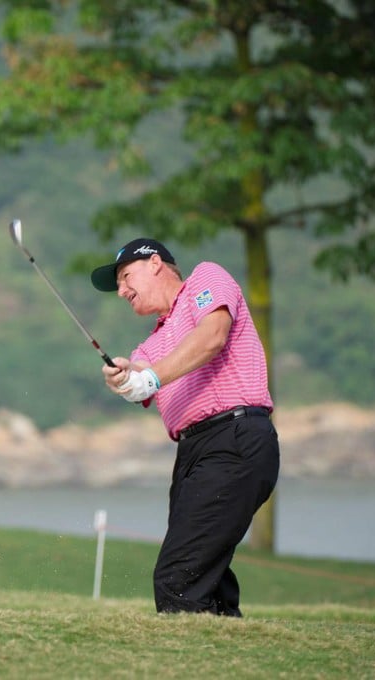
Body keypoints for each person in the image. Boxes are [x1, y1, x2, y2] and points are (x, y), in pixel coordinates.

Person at [90, 238, 280, 616]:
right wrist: (124, 377)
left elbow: (212, 336)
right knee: (205, 571)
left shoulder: (205, 280)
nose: (122, 291)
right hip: (194, 453)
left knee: (179, 575)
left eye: (126, 277)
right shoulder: (151, 344)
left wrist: (150, 378)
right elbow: (140, 372)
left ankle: (187, 648)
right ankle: (225, 640)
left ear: (155, 263)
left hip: (235, 437)